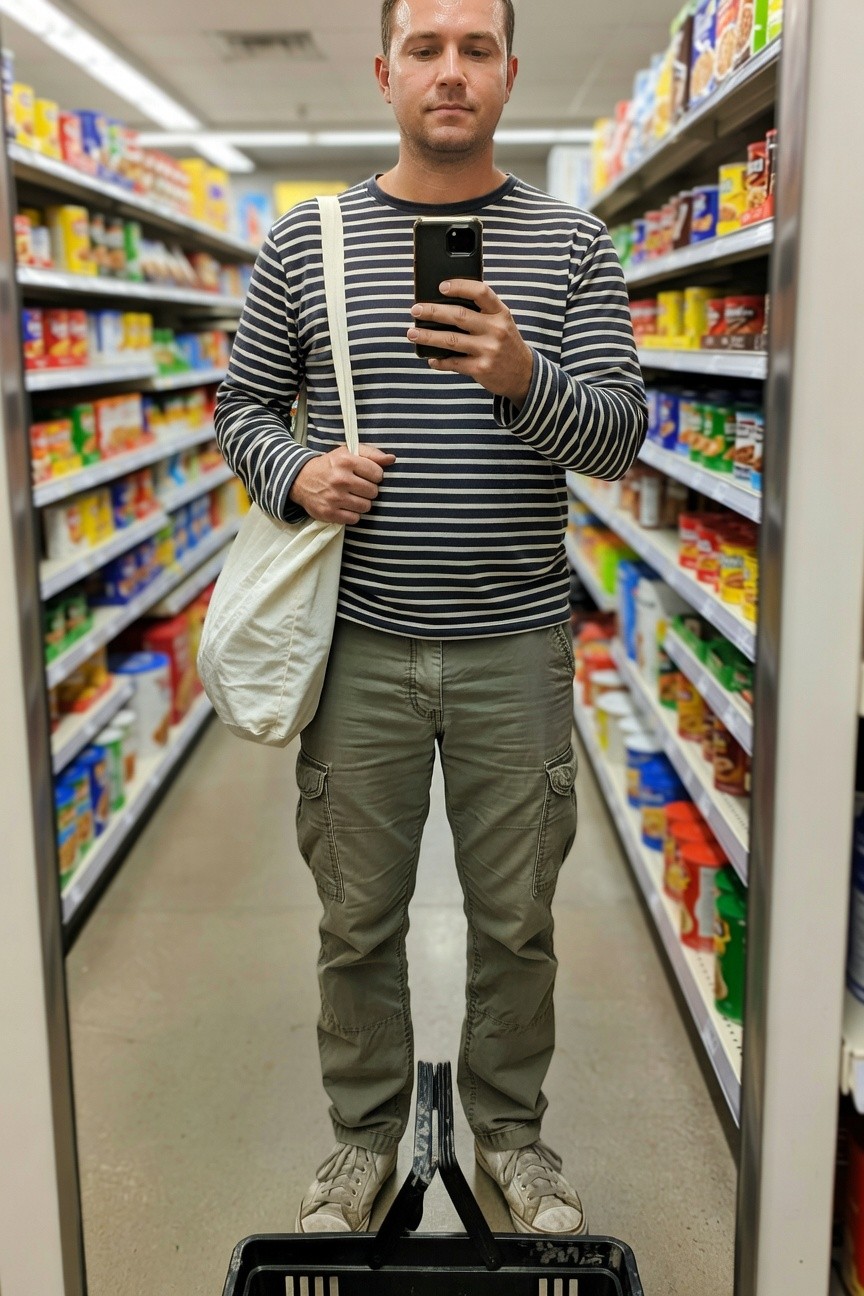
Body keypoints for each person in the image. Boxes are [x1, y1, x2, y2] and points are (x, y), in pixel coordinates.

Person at [214, 0, 647, 1238]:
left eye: (474, 48)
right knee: (358, 918)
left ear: (511, 71)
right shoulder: (308, 244)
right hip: (357, 650)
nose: (449, 72)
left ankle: (515, 1136)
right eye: (425, 47)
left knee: (517, 918)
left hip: (518, 648)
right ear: (383, 70)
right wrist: (293, 471)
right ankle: (364, 1142)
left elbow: (620, 438)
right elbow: (240, 407)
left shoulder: (573, 246)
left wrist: (524, 378)